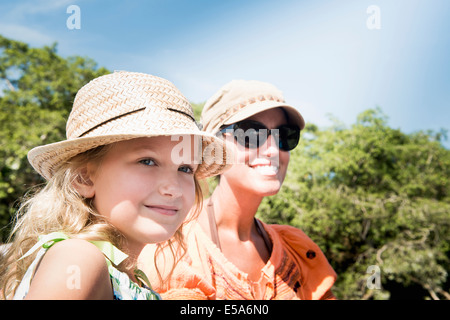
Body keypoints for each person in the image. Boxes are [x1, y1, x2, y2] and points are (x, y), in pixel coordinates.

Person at [0, 71, 229, 300]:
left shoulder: (125, 276)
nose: (174, 188)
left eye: (185, 168)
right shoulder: (78, 258)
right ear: (84, 179)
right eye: (147, 161)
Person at [139, 79, 337, 300]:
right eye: (251, 134)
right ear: (214, 148)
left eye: (283, 135)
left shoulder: (297, 250)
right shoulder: (171, 245)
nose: (272, 149)